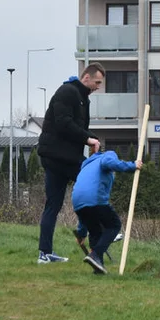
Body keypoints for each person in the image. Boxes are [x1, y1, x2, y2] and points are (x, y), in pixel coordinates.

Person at [35, 63, 104, 263]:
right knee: (93, 182)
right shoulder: (67, 92)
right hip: (58, 157)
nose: (98, 86)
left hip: (63, 156)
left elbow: (78, 127)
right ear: (86, 78)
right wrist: (88, 139)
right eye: (97, 82)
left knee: (53, 205)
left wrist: (92, 138)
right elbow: (64, 124)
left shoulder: (83, 99)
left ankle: (44, 253)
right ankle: (102, 229)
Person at [72, 147, 142, 274]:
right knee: (114, 225)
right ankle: (95, 255)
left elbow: (83, 214)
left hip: (77, 201)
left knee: (94, 231)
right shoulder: (106, 156)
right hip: (94, 198)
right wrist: (133, 165)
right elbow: (111, 163)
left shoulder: (86, 165)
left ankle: (98, 268)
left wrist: (81, 233)